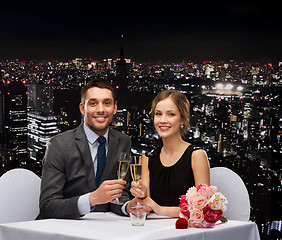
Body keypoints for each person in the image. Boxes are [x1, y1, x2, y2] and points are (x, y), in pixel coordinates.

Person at [38, 79, 137, 219]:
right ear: (82, 108)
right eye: (93, 103)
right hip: (64, 229)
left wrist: (127, 207)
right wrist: (92, 199)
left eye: (107, 103)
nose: (101, 109)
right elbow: (47, 207)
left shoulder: (123, 141)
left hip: (104, 228)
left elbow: (119, 194)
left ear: (114, 108)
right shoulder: (58, 145)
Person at [131, 90, 210, 217]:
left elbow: (203, 208)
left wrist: (160, 209)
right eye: (158, 114)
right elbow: (146, 204)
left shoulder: (196, 155)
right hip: (155, 229)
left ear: (183, 119)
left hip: (187, 230)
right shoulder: (147, 157)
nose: (162, 120)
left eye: (171, 114)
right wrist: (140, 194)